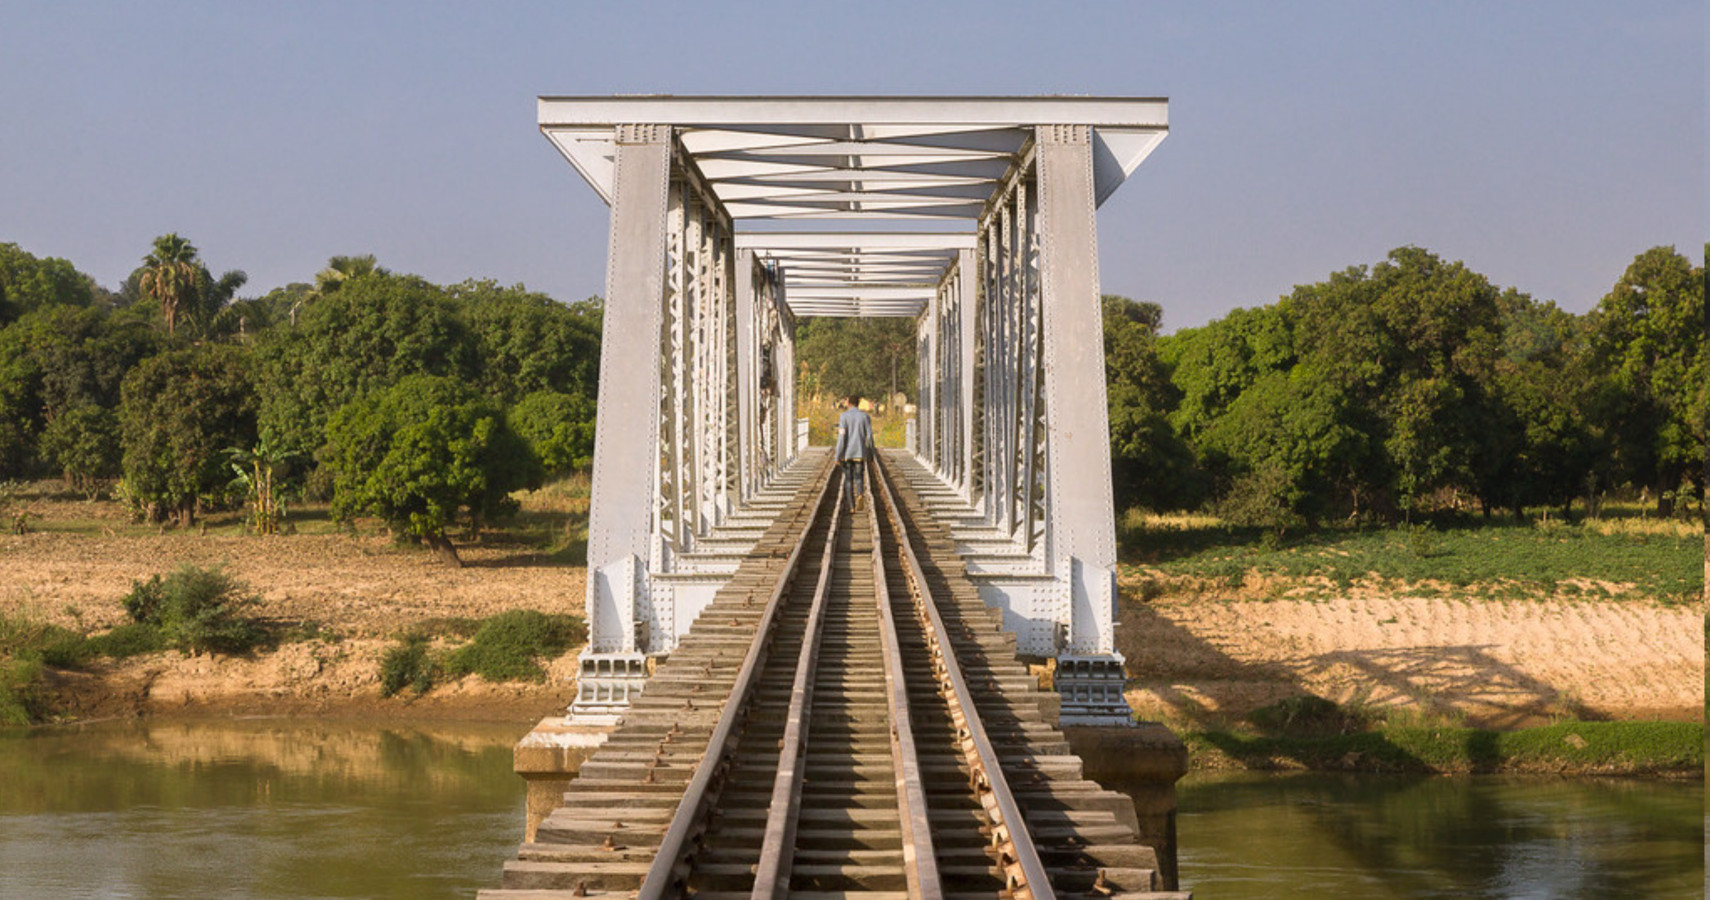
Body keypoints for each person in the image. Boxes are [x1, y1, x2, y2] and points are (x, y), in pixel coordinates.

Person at [833, 394, 873, 511]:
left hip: (847, 454)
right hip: (860, 453)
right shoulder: (865, 417)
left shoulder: (843, 417)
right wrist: (871, 453)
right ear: (858, 403)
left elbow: (841, 437)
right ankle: (860, 493)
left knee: (848, 479)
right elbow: (869, 437)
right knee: (859, 477)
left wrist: (838, 455)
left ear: (849, 403)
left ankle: (851, 506)